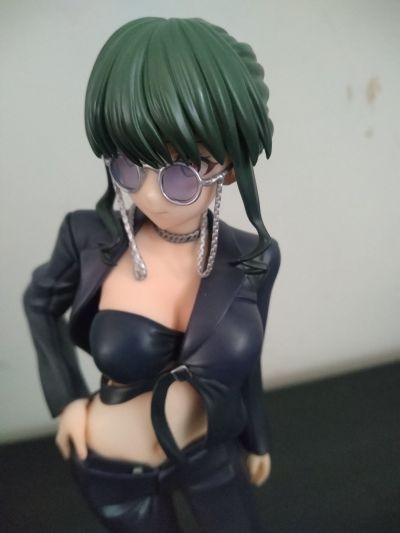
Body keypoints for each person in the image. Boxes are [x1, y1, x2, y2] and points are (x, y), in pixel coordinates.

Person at [23, 17, 281, 533]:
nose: (148, 194)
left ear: (229, 167)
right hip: (114, 465)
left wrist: (256, 440)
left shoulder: (255, 258)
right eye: (127, 166)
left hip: (209, 451)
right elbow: (40, 303)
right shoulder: (87, 238)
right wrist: (67, 400)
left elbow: (247, 363)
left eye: (182, 175)